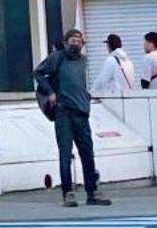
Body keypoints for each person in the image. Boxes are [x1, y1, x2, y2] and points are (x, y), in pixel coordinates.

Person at [35, 31, 109, 209]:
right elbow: (38, 73)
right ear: (66, 42)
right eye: (72, 40)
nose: (76, 43)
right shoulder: (57, 57)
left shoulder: (83, 61)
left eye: (78, 40)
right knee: (66, 154)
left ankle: (92, 192)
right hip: (64, 112)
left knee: (88, 154)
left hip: (81, 112)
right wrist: (50, 92)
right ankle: (68, 193)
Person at [90, 35, 137, 99]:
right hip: (129, 97)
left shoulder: (111, 60)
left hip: (117, 98)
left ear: (109, 45)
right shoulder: (129, 61)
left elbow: (102, 81)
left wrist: (91, 93)